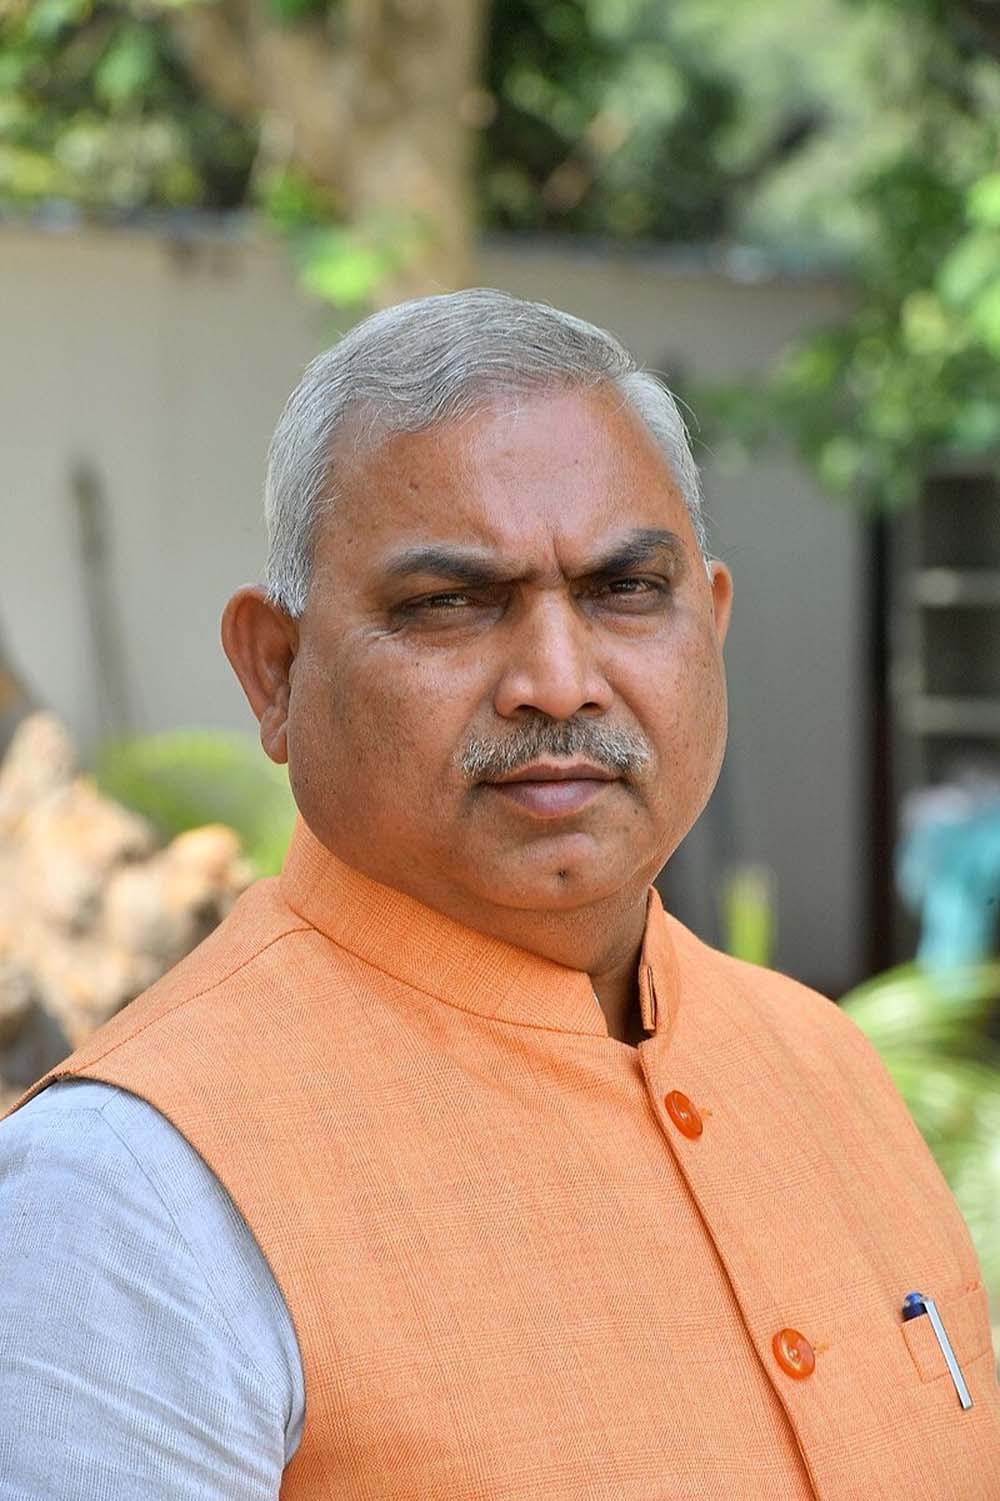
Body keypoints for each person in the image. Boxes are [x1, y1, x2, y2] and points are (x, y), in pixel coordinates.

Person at [1, 288, 998, 1500]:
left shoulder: (823, 1067)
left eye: (625, 589)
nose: (559, 681)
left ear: (711, 624)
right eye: (450, 604)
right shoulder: (127, 1190)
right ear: (276, 671)